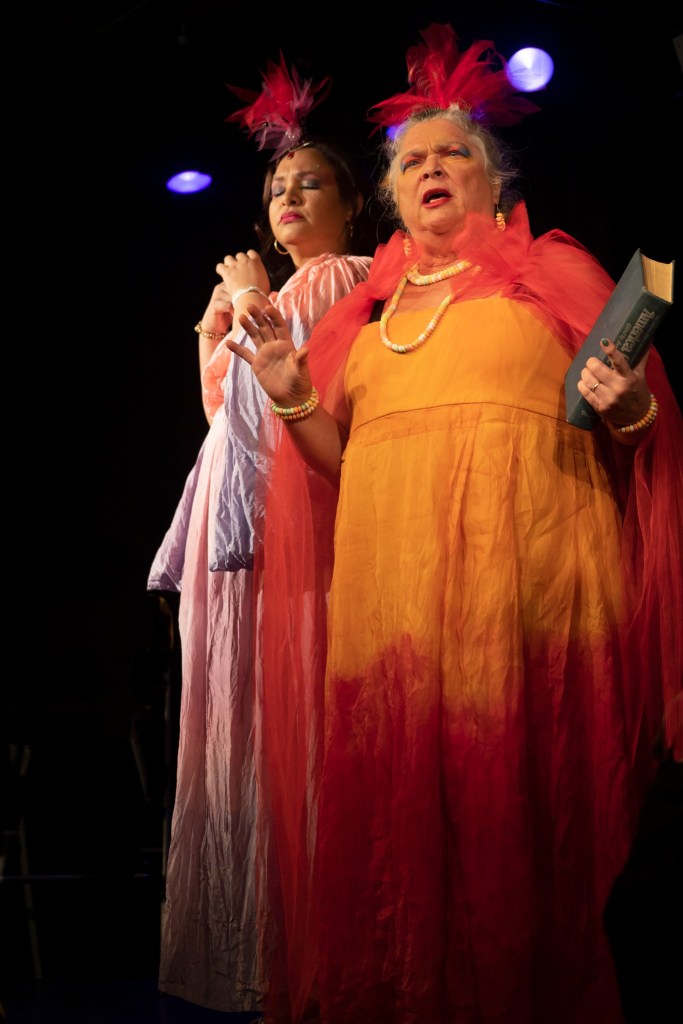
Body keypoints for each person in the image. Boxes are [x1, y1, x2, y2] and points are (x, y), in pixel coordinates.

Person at [226, 23, 683, 1024]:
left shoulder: (556, 280)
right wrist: (292, 392)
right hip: (397, 620)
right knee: (402, 833)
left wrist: (630, 408)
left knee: (519, 828)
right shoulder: (367, 316)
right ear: (393, 197)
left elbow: (637, 432)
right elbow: (341, 468)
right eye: (411, 161)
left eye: (452, 154)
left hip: (526, 612)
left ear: (494, 180)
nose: (430, 168)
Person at [146, 53, 378, 1014]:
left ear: (351, 205)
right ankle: (264, 949)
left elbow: (288, 402)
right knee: (243, 721)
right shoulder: (288, 288)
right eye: (278, 186)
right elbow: (225, 426)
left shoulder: (338, 277)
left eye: (309, 183)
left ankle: (311, 951)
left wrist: (249, 302)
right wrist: (218, 329)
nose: (288, 196)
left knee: (290, 716)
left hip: (291, 527)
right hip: (237, 533)